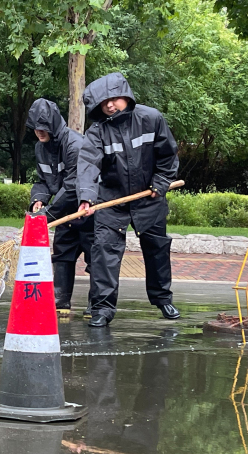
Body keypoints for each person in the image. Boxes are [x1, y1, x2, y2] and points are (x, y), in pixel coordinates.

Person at [76, 72, 180, 327]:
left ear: (125, 95)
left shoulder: (151, 118)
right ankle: (102, 308)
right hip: (112, 200)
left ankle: (163, 298)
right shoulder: (97, 132)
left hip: (149, 196)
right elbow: (88, 165)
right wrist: (87, 198)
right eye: (104, 102)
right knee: (104, 252)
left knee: (157, 249)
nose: (110, 105)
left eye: (113, 98)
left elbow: (167, 155)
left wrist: (162, 181)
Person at [26, 98, 94, 316]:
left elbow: (73, 184)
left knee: (96, 258)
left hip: (88, 210)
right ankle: (61, 301)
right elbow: (43, 180)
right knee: (63, 254)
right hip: (65, 212)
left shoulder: (75, 145)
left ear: (54, 124)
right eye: (36, 128)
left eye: (43, 127)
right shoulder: (40, 148)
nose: (39, 132)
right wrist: (39, 199)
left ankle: (97, 306)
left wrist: (49, 214)